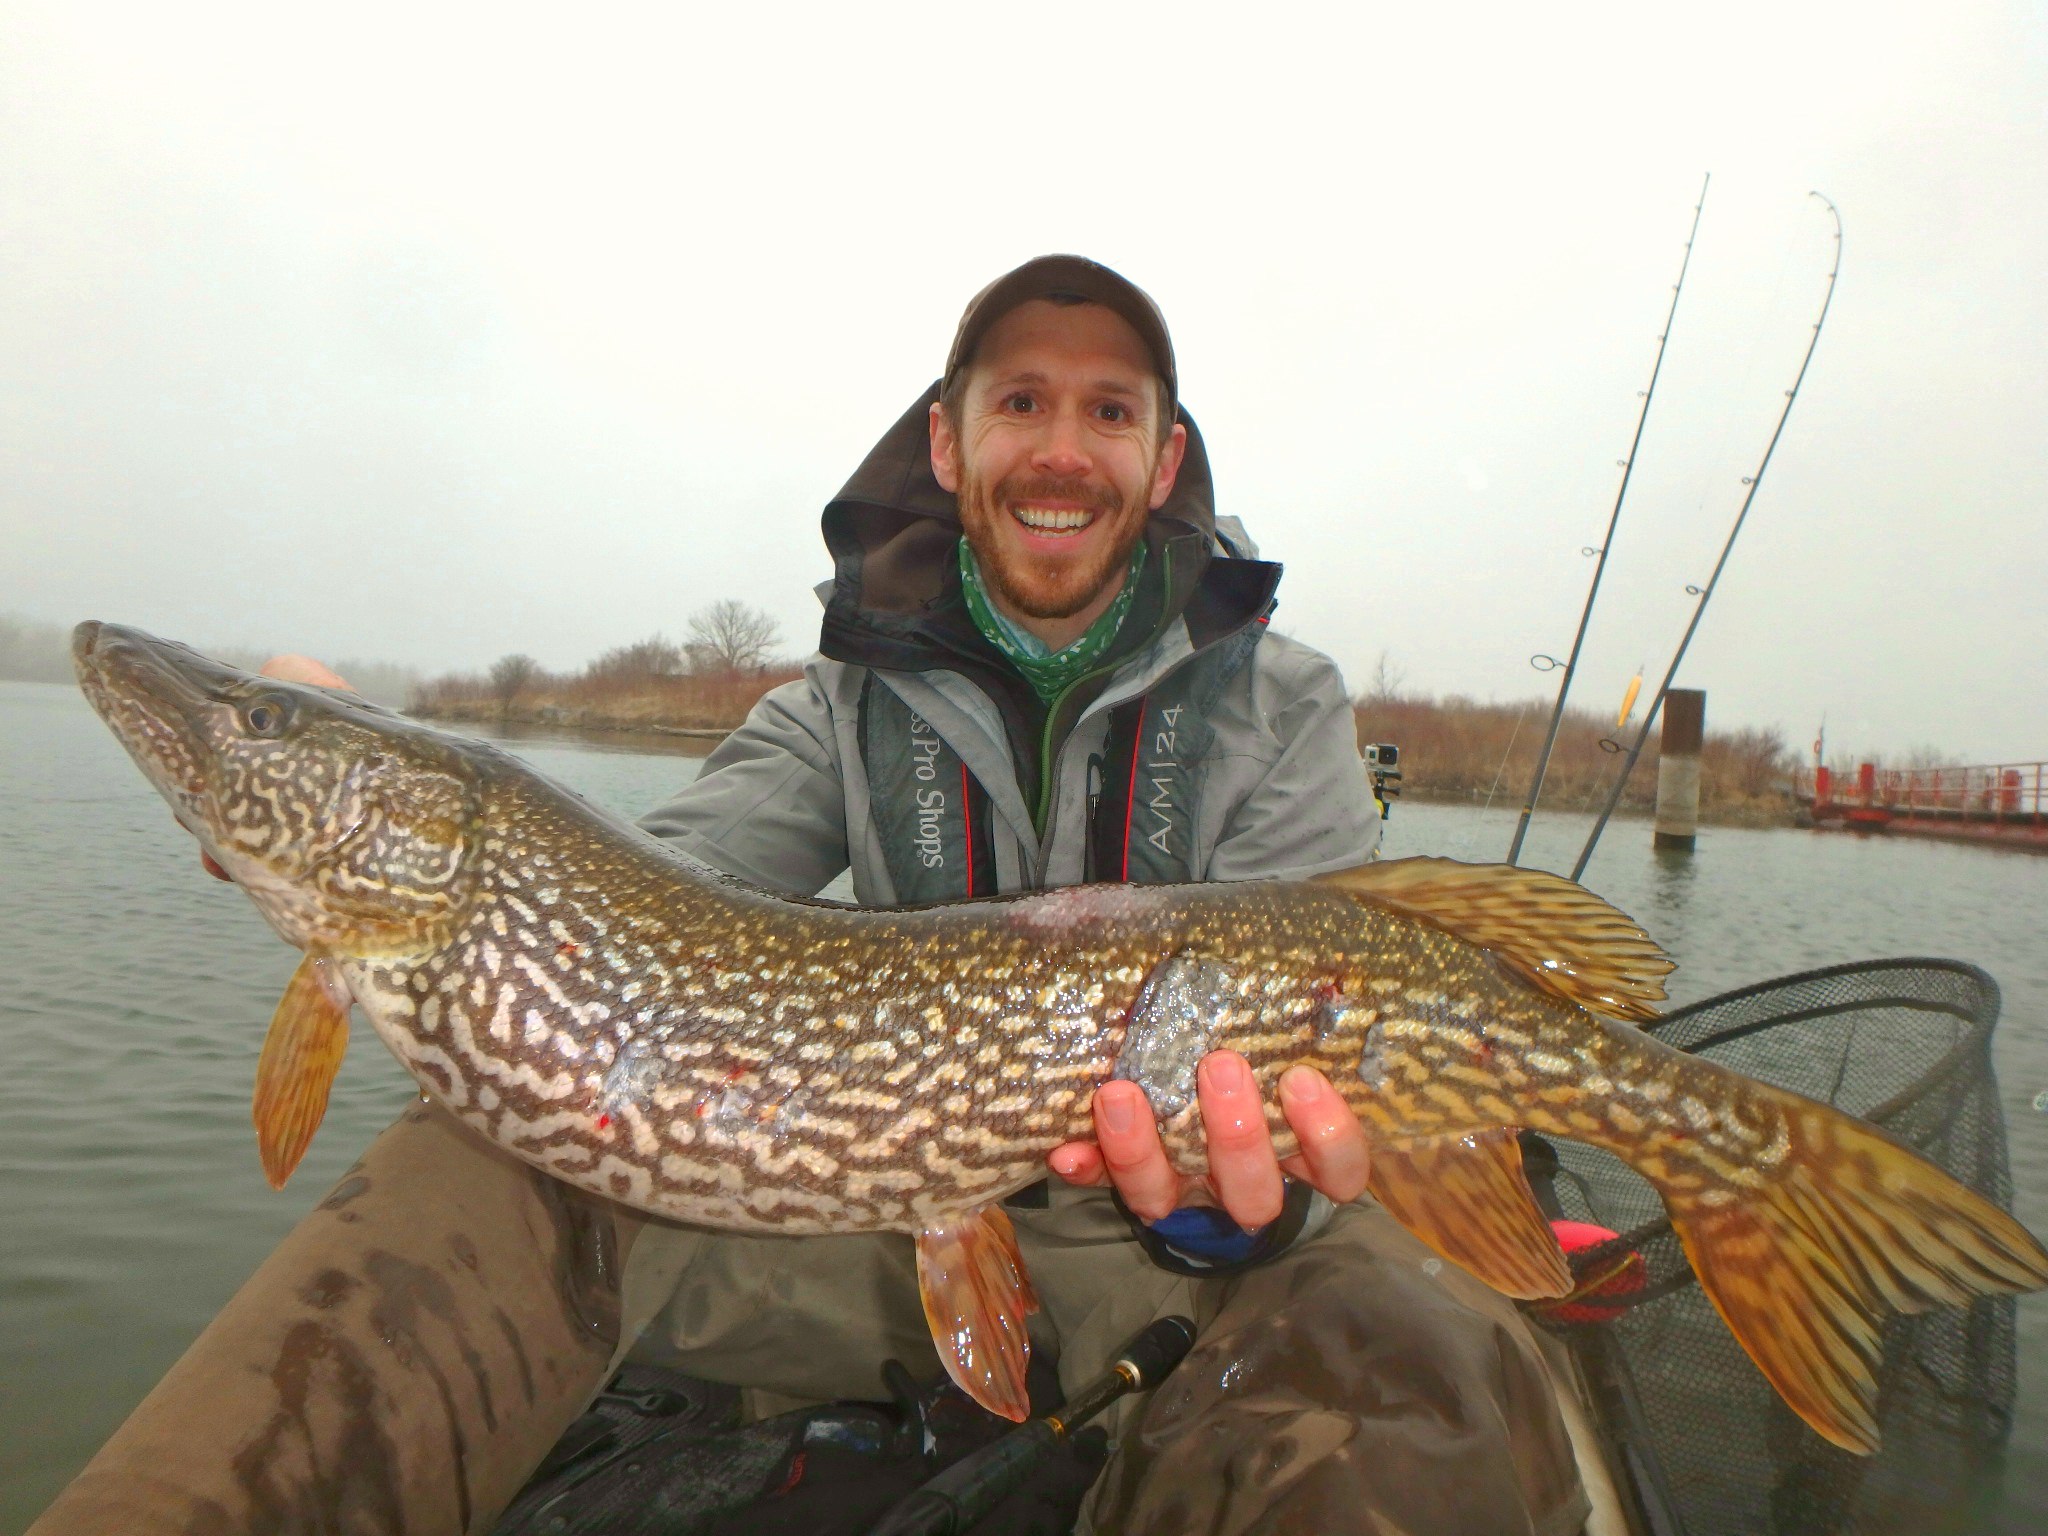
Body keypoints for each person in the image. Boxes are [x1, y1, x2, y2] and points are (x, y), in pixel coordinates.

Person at [609, 256, 1590, 1536]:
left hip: (1196, 1273)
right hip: (889, 1236)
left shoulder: (1280, 701)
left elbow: (1332, 1067)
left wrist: (1243, 1216)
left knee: (1400, 1362)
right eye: (1019, 403)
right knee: (481, 1190)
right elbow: (655, 899)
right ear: (948, 447)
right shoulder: (833, 703)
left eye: (1108, 412)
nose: (1061, 451)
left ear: (1162, 460)